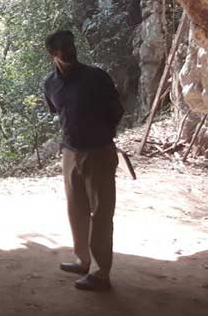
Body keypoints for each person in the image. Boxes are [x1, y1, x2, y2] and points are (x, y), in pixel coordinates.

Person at [43, 30, 124, 292]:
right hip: (70, 152)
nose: (70, 51)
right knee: (76, 209)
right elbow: (59, 113)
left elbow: (116, 110)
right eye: (63, 49)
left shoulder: (96, 77)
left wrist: (100, 132)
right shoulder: (50, 84)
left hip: (99, 151)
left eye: (71, 45)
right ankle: (82, 259)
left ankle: (101, 273)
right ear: (53, 54)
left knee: (101, 213)